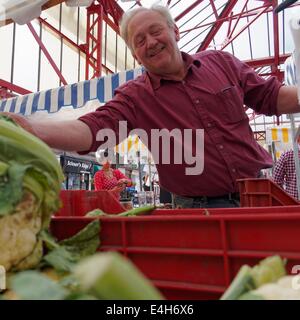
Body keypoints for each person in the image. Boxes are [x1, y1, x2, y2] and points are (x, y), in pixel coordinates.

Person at [2, 5, 300, 208]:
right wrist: (31, 129)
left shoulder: (220, 62)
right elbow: (92, 129)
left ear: (175, 31)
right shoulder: (135, 97)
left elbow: (272, 97)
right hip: (199, 210)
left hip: (261, 195)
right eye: (139, 40)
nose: (150, 42)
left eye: (156, 31)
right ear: (136, 54)